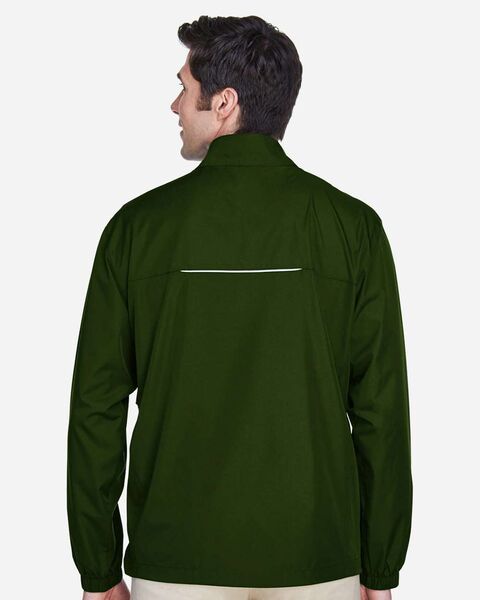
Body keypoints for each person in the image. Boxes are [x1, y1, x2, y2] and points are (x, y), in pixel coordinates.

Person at [66, 15, 413, 600]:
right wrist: (379, 568)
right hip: (317, 558)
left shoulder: (136, 229)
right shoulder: (352, 228)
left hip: (175, 561)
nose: (175, 105)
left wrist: (97, 568)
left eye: (184, 87)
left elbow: (96, 408)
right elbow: (382, 411)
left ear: (224, 103)